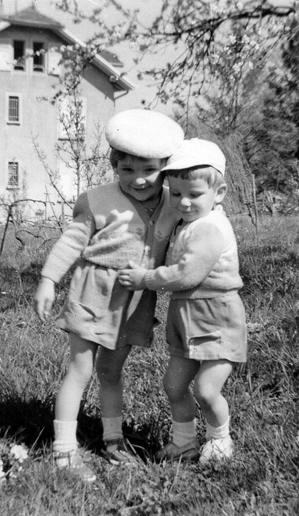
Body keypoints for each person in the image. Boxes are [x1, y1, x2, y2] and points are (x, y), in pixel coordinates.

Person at [34, 109, 184, 482]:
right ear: (115, 165)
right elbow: (71, 242)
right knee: (81, 368)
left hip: (135, 298)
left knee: (111, 370)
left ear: (164, 167)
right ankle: (65, 452)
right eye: (127, 169)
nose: (138, 179)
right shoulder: (96, 200)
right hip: (93, 291)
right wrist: (49, 280)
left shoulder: (172, 200)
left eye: (149, 169)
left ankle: (113, 441)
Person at [117, 138, 247, 464]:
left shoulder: (210, 228)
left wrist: (145, 278)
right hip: (186, 317)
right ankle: (184, 443)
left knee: (206, 390)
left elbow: (187, 275)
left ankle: (219, 441)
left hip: (217, 316)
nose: (184, 202)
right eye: (176, 194)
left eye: (194, 194)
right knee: (174, 386)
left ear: (219, 194)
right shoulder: (185, 223)